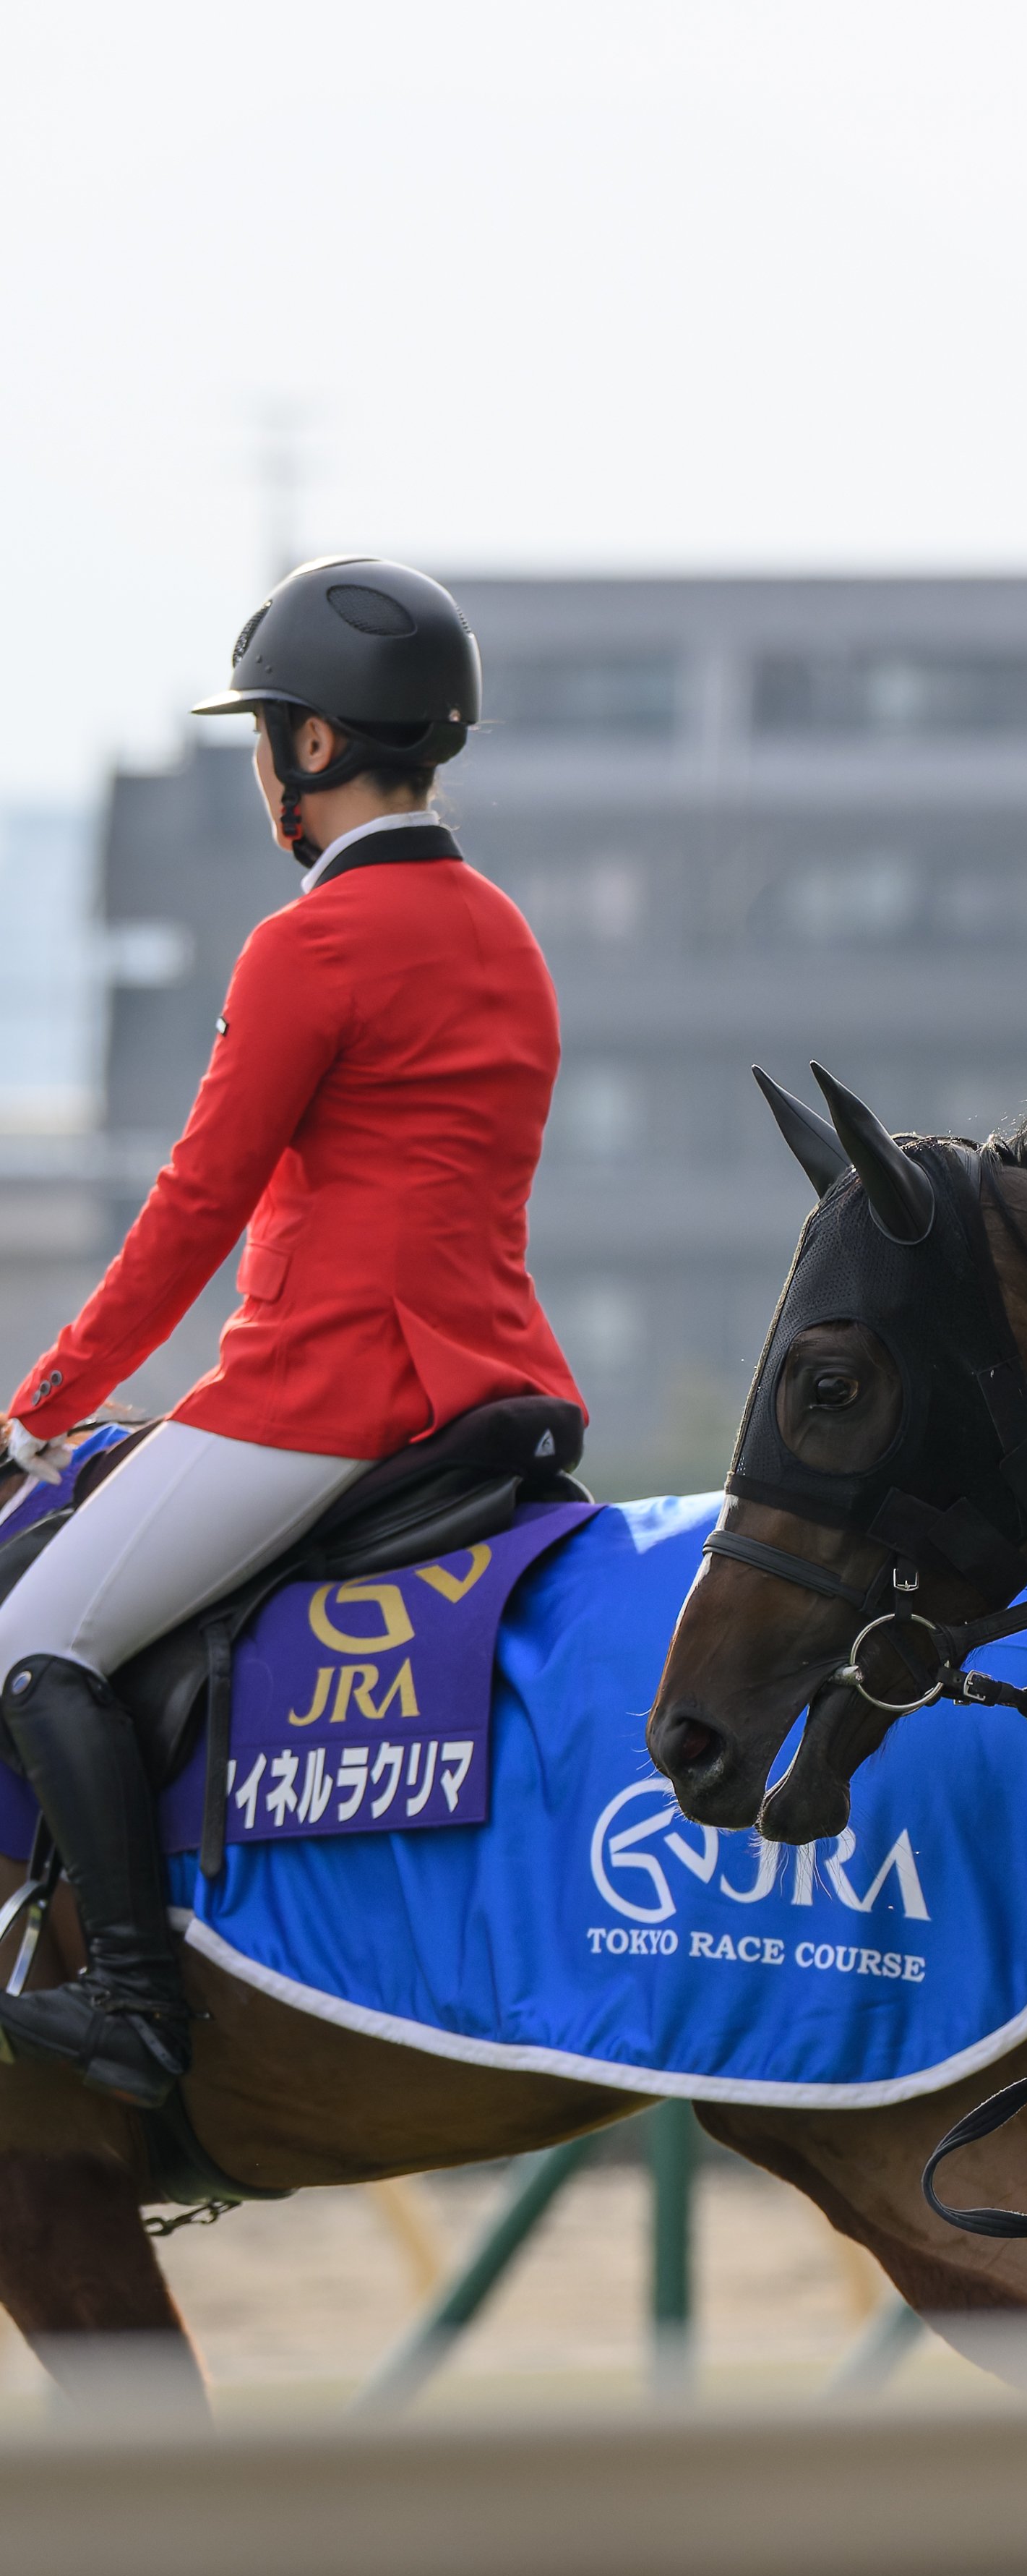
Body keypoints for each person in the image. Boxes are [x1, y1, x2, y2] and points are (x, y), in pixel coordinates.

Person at [0, 557, 582, 2108]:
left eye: (268, 732)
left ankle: (133, 2004)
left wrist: (46, 1399)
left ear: (313, 750)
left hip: (330, 1395)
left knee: (35, 1639)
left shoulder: (311, 946)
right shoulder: (506, 934)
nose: (264, 761)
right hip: (502, 1382)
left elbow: (199, 1201)